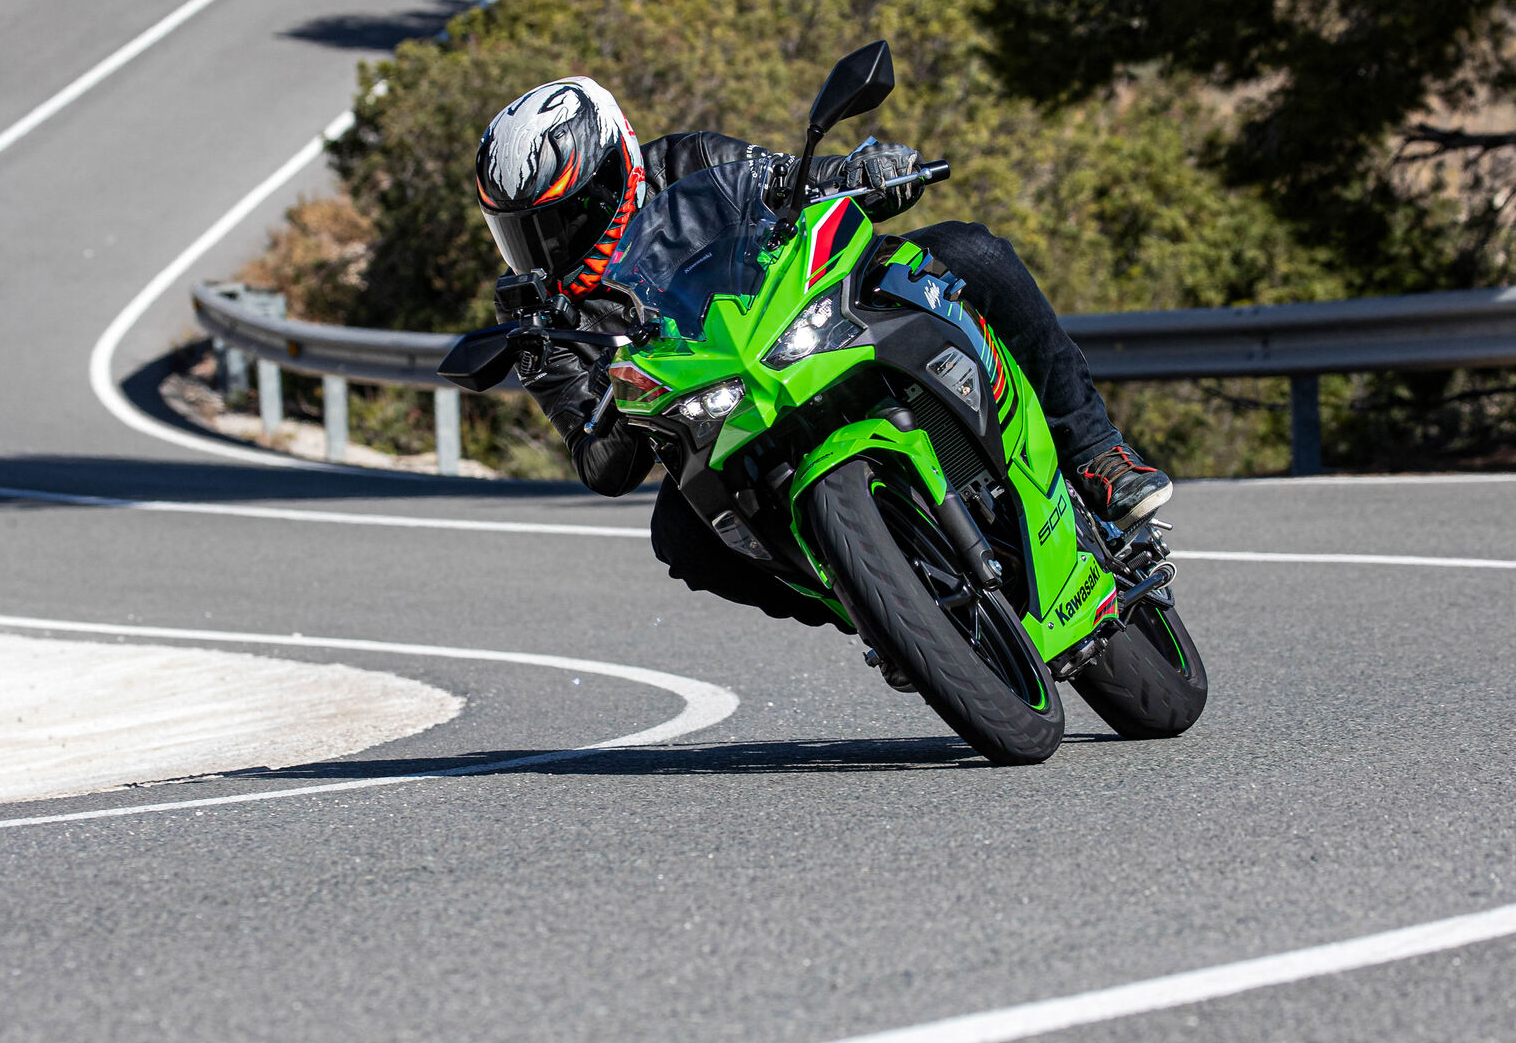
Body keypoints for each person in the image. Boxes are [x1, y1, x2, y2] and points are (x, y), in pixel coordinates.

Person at [474, 77, 1172, 630]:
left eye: (563, 217)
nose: (548, 246)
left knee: (970, 251)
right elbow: (602, 466)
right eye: (524, 232)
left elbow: (788, 182)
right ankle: (877, 613)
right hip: (721, 417)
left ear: (613, 169)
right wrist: (600, 393)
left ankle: (1096, 454)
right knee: (681, 539)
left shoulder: (688, 162)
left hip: (804, 324)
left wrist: (868, 171)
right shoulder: (540, 310)